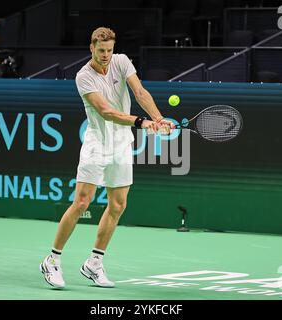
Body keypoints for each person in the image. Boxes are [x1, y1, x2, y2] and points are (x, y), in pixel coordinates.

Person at [39, 27, 174, 289]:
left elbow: (140, 93)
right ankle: (52, 260)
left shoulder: (122, 61)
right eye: (101, 51)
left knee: (118, 205)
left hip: (122, 144)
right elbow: (106, 111)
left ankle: (94, 263)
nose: (106, 55)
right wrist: (143, 122)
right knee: (81, 202)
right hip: (97, 145)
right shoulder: (83, 77)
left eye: (109, 50)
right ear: (91, 48)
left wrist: (157, 118)